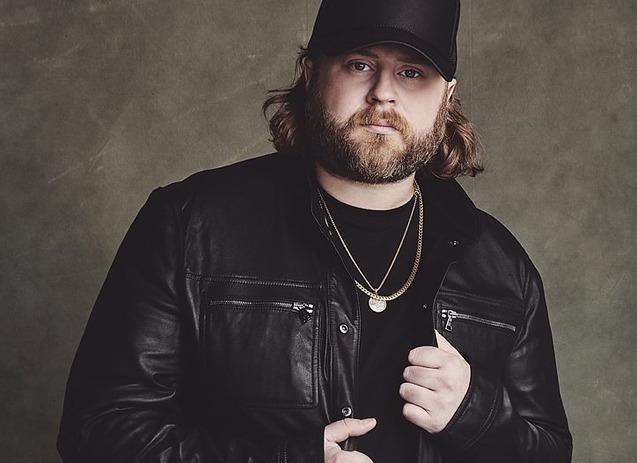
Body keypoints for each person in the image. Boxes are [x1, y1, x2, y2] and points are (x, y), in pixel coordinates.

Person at [57, 0, 573, 462]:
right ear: (312, 74)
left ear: (447, 96)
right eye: (360, 64)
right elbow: (97, 433)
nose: (383, 94)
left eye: (413, 72)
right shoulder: (189, 225)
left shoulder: (502, 268)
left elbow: (550, 451)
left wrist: (475, 415)